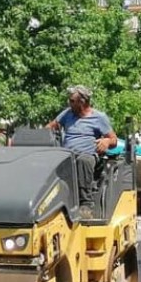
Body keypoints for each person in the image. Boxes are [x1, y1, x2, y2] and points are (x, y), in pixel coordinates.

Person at [46, 86, 118, 217]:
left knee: (83, 161)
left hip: (89, 156)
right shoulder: (67, 113)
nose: (69, 103)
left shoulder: (99, 117)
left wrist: (106, 141)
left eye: (72, 101)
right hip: (67, 155)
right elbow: (50, 127)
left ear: (82, 102)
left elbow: (114, 140)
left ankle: (86, 204)